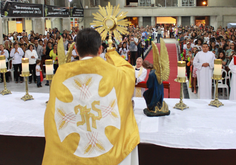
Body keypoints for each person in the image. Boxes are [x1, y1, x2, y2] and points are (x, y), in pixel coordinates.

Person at [43, 28, 139, 165]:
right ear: (100, 49)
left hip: (71, 153)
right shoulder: (115, 74)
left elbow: (53, 114)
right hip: (109, 155)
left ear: (76, 50)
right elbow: (129, 72)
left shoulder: (61, 74)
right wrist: (112, 54)